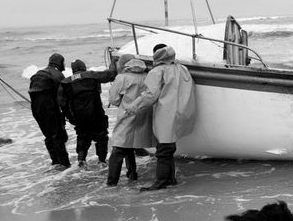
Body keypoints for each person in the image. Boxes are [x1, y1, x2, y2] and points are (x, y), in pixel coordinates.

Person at [129, 45, 196, 191]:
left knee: (163, 150)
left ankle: (161, 182)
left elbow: (150, 95)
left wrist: (133, 107)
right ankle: (170, 179)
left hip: (166, 113)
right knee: (169, 147)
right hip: (181, 112)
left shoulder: (157, 71)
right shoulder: (182, 69)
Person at [106, 57, 155, 186]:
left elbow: (113, 99)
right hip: (144, 114)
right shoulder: (148, 76)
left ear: (123, 64)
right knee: (130, 144)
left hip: (127, 115)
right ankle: (132, 175)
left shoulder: (122, 78)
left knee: (118, 148)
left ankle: (111, 183)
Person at [58, 59, 116, 168]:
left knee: (82, 137)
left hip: (79, 117)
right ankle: (102, 161)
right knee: (101, 137)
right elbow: (110, 75)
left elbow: (62, 103)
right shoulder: (91, 75)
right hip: (96, 114)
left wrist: (71, 118)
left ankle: (81, 159)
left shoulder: (65, 82)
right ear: (83, 67)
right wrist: (114, 62)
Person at [29, 53, 70, 168]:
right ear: (60, 63)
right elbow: (63, 99)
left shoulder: (38, 74)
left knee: (49, 136)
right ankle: (65, 165)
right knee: (58, 136)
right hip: (49, 109)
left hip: (36, 110)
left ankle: (55, 162)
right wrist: (68, 114)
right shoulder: (58, 75)